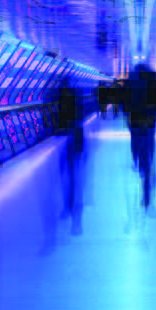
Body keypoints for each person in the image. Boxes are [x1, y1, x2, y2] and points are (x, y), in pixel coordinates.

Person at [125, 64, 156, 214]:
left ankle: (144, 175)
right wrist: (155, 117)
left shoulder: (131, 80)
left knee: (142, 152)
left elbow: (125, 102)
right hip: (149, 123)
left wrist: (129, 119)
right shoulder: (155, 79)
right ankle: (147, 186)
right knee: (149, 153)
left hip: (136, 123)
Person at [57, 76, 85, 235]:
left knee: (69, 176)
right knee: (73, 176)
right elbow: (79, 120)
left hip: (68, 140)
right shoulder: (75, 100)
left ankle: (69, 207)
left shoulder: (61, 100)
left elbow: (60, 122)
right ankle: (72, 209)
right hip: (74, 139)